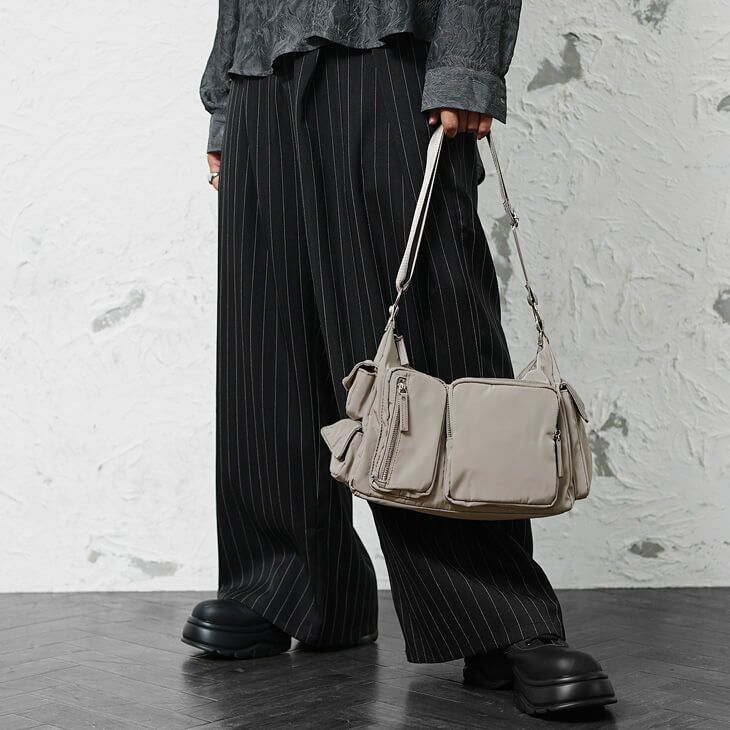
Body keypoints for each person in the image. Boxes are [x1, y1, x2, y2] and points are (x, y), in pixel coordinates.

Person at [182, 0, 617, 717]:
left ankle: (496, 616)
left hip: (393, 48)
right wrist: (226, 99)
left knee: (431, 332)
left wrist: (467, 61)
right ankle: (287, 585)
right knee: (269, 339)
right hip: (261, 65)